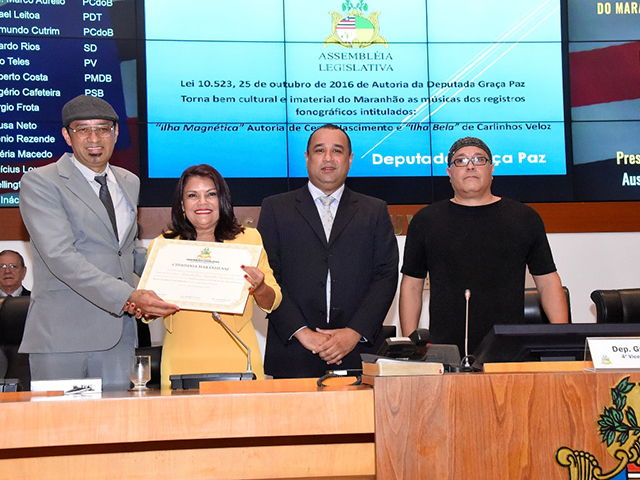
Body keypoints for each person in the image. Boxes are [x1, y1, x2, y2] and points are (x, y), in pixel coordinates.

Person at [18, 94, 178, 390]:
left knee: (114, 431)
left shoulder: (129, 181)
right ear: (67, 136)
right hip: (63, 338)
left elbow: (128, 249)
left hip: (118, 338)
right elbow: (61, 257)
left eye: (103, 128)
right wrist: (130, 296)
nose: (94, 137)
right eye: (83, 129)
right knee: (60, 432)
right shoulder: (40, 182)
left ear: (115, 133)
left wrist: (183, 274)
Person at [399, 136, 568, 358]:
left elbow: (547, 282)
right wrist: (412, 348)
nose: (470, 165)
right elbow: (411, 286)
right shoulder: (426, 220)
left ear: (491, 169)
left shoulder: (524, 218)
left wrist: (561, 341)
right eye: (460, 160)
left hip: (510, 350)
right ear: (449, 173)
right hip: (446, 352)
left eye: (479, 159)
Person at [258, 124, 399, 378]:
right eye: (319, 150)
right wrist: (302, 332)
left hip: (356, 352)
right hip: (293, 352)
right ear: (307, 158)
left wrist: (353, 333)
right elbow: (270, 276)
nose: (328, 158)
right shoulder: (276, 208)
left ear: (350, 159)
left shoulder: (374, 210)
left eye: (337, 151)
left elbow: (386, 276)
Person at [152, 164, 281, 389]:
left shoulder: (248, 240)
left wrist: (259, 287)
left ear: (222, 200)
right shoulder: (164, 246)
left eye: (211, 194)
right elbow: (148, 311)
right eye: (193, 196)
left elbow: (272, 301)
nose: (203, 202)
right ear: (182, 205)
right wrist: (144, 305)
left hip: (239, 359)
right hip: (182, 362)